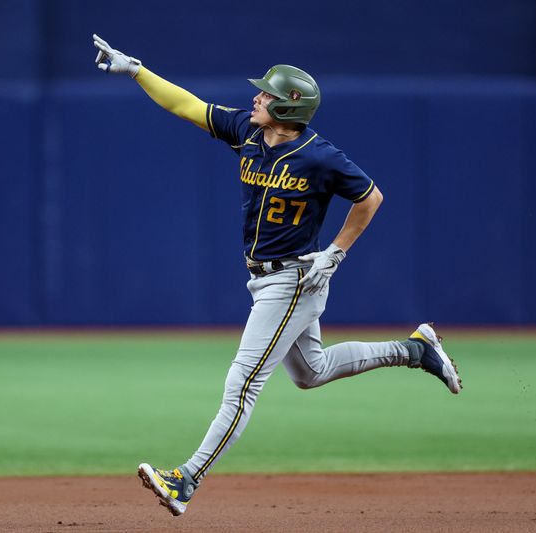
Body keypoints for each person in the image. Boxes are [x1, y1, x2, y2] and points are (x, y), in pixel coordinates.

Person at [92, 34, 462, 517]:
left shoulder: (321, 156)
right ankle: (416, 350)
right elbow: (187, 106)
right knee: (312, 372)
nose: (256, 98)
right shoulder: (247, 131)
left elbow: (370, 197)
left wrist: (336, 252)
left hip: (293, 280)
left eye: (266, 94)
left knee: (242, 383)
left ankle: (185, 479)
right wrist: (138, 71)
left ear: (290, 107)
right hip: (263, 279)